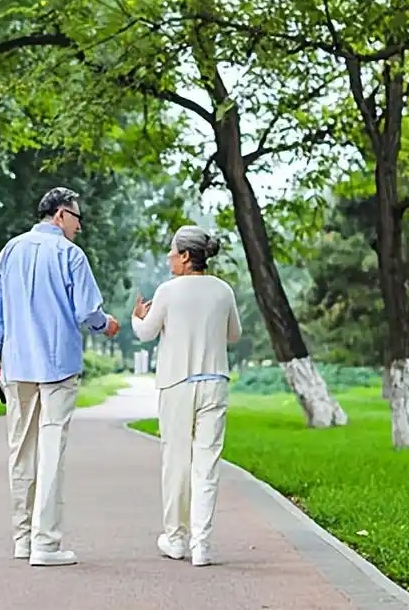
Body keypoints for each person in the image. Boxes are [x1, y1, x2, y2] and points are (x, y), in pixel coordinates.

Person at [0, 186, 120, 567]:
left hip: (17, 363)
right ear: (60, 215)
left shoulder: (11, 249)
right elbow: (87, 311)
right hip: (57, 366)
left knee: (20, 451)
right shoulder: (70, 255)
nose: (79, 227)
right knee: (50, 450)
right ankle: (46, 544)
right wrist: (106, 325)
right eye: (77, 218)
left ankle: (22, 539)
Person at [131, 225, 241, 567]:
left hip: (177, 384)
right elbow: (234, 335)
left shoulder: (168, 291)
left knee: (176, 462)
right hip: (215, 382)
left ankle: (176, 540)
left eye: (171, 252)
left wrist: (138, 318)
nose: (168, 257)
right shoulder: (223, 291)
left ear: (185, 256)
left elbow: (147, 333)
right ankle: (202, 545)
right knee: (207, 464)